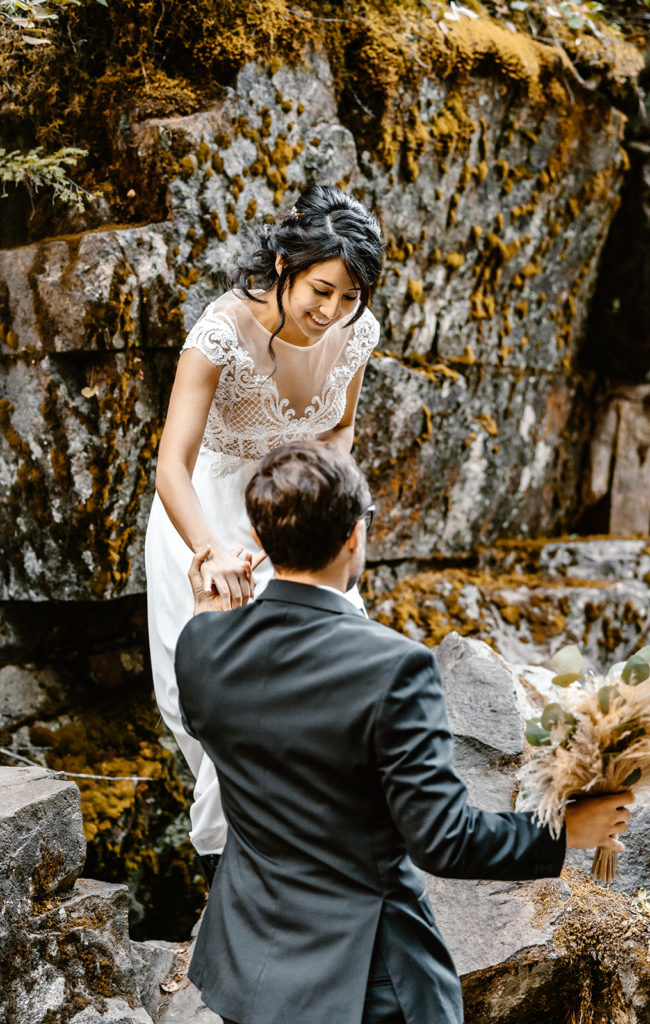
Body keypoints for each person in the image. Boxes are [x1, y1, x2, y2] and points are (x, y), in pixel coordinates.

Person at [176, 442, 634, 1024]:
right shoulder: (397, 665)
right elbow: (443, 840)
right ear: (353, 537)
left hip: (248, 969)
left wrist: (206, 615)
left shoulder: (202, 643)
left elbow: (200, 717)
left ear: (261, 542)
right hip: (365, 981)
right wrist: (564, 831)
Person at [145, 186, 384, 873]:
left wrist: (318, 500)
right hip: (206, 516)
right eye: (321, 289)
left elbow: (339, 429)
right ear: (284, 263)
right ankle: (234, 878)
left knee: (328, 683)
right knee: (225, 709)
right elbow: (171, 464)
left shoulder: (356, 334)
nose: (332, 311)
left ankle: (315, 863)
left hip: (294, 516)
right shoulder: (219, 332)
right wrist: (211, 550)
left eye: (350, 297)